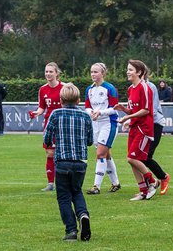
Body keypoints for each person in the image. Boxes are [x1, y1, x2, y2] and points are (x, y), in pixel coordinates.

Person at [43, 82, 93, 241]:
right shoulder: (85, 115)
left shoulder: (56, 114)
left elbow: (47, 137)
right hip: (80, 161)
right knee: (77, 191)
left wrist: (55, 142)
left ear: (61, 99)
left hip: (62, 161)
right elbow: (90, 141)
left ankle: (71, 230)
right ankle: (83, 215)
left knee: (64, 196)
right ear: (78, 100)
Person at [119, 60, 159, 201]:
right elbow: (134, 109)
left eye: (130, 69)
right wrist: (124, 110)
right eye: (127, 69)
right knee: (132, 160)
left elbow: (146, 110)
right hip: (134, 127)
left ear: (139, 72)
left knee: (132, 158)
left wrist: (128, 117)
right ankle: (143, 191)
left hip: (144, 129)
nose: (128, 72)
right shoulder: (131, 89)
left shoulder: (145, 88)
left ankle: (153, 181)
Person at [84, 63, 123, 194]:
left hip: (108, 123)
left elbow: (114, 108)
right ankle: (116, 183)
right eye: (91, 72)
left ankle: (96, 186)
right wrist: (92, 113)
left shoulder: (109, 88)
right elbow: (87, 106)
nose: (93, 74)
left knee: (100, 153)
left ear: (103, 73)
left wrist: (100, 113)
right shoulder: (89, 89)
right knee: (106, 155)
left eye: (96, 72)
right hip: (96, 124)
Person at [28, 62, 64, 192]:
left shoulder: (64, 87)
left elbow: (73, 102)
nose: (48, 74)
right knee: (50, 153)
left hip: (63, 124)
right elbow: (42, 107)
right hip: (50, 123)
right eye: (46, 71)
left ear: (56, 73)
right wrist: (36, 113)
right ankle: (50, 183)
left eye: (51, 71)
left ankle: (63, 181)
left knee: (63, 154)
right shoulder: (43, 89)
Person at [141, 73, 172, 195]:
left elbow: (151, 110)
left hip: (154, 124)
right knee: (139, 156)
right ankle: (146, 186)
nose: (128, 72)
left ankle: (163, 177)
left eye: (131, 70)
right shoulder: (134, 87)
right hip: (143, 125)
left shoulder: (150, 86)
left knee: (146, 156)